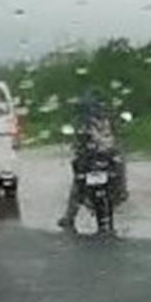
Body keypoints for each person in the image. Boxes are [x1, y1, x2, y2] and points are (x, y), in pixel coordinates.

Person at [57, 90, 118, 231]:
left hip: (99, 160)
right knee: (78, 186)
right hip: (98, 160)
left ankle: (70, 217)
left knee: (77, 188)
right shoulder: (100, 120)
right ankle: (70, 217)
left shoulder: (90, 122)